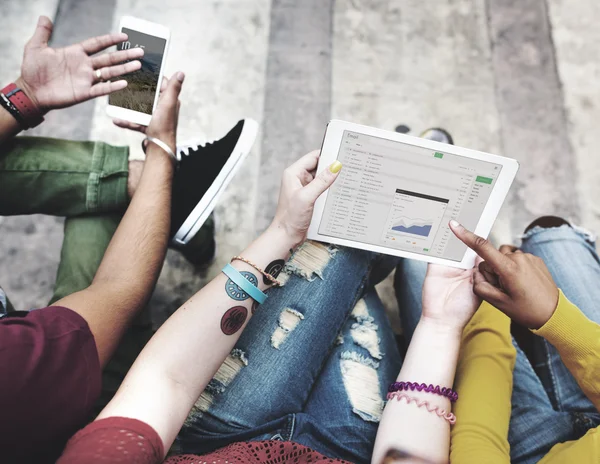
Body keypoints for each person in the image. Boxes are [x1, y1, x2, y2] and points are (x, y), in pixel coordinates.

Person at [0, 16, 255, 463]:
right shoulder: (11, 372)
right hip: (85, 410)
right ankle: (164, 195)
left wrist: (24, 97)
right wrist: (161, 150)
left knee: (132, 196)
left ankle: (150, 191)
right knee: (119, 212)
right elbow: (115, 291)